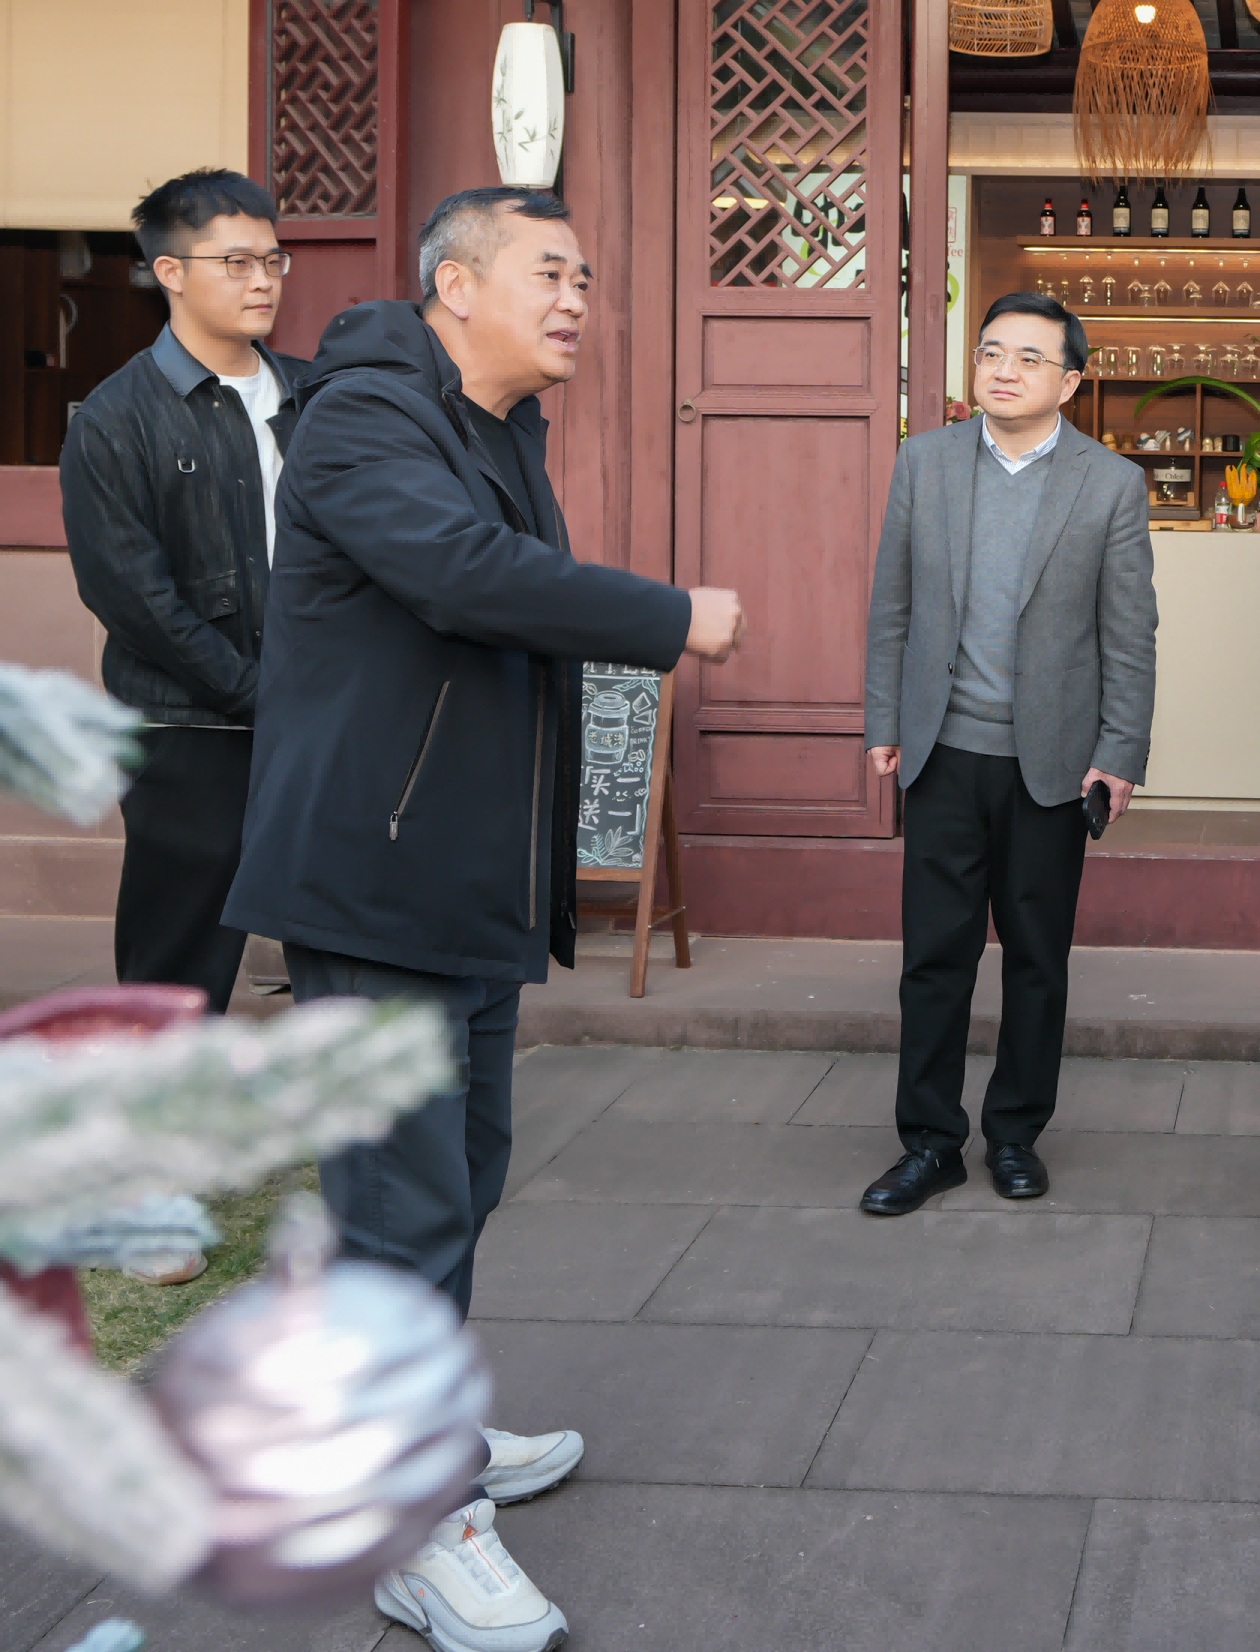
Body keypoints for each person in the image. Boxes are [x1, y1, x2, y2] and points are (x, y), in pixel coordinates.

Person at [225, 186, 748, 1652]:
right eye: (549, 273)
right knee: (400, 1205)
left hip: (463, 883)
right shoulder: (365, 414)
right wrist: (665, 616)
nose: (578, 298)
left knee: (457, 1180)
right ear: (456, 286)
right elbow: (462, 578)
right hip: (373, 882)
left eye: (585, 276)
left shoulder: (501, 425)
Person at [859, 290, 1156, 1215]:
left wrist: (1120, 750)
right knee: (933, 957)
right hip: (943, 751)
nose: (1004, 370)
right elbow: (892, 604)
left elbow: (1129, 633)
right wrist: (883, 719)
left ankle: (1016, 1133)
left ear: (1069, 381)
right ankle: (929, 1142)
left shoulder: (1109, 483)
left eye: (1030, 357)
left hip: (1051, 762)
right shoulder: (925, 461)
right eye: (992, 352)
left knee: (1036, 956)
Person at [59, 169, 306, 1027]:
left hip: (320, 715)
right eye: (236, 262)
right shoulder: (116, 418)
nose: (262, 280)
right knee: (178, 958)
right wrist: (254, 690)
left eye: (272, 259)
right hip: (188, 728)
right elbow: (131, 595)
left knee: (342, 937)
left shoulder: (317, 396)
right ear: (170, 271)